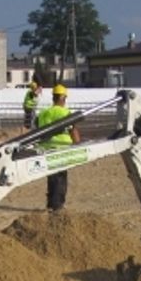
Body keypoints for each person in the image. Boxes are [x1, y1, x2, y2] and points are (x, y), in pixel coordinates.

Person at [37, 84, 81, 212]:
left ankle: (51, 203)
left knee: (52, 177)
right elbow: (73, 129)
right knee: (61, 177)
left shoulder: (44, 113)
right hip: (61, 148)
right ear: (62, 97)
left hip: (46, 148)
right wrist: (78, 144)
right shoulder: (65, 112)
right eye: (65, 98)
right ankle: (58, 206)